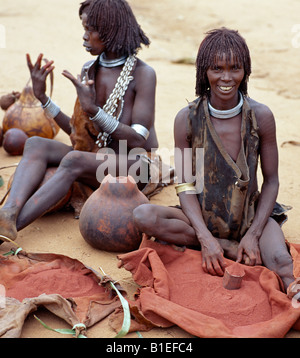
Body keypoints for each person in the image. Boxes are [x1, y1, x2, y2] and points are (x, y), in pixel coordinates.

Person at [133, 27, 299, 297]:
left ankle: (244, 247)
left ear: (245, 71)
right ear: (203, 72)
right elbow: (185, 185)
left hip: (250, 216)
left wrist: (254, 234)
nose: (226, 77)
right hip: (201, 216)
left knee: (281, 263)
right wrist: (205, 238)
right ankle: (225, 246)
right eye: (217, 69)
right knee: (143, 215)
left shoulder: (261, 117)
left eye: (235, 68)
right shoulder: (186, 119)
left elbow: (272, 181)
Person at [0, 0, 160, 245]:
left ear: (110, 30)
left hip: (135, 165)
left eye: (89, 29)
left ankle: (8, 230)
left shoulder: (143, 74)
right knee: (34, 144)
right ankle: (7, 213)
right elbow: (78, 135)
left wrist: (94, 110)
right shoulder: (90, 69)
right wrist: (43, 98)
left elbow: (138, 137)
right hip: (96, 157)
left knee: (73, 160)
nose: (84, 36)